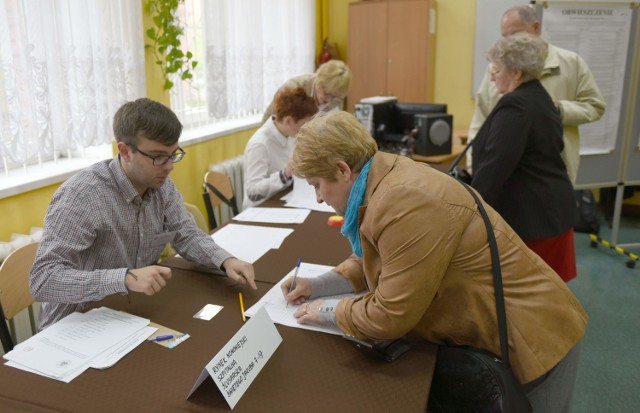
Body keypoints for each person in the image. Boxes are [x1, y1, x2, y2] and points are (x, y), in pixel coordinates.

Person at [281, 111, 587, 412]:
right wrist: (318, 285)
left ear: (343, 169)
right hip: (505, 327)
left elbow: (389, 315)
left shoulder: (402, 200)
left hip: (534, 339)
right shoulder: (382, 176)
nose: (319, 198)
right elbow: (378, 257)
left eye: (317, 185)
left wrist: (328, 310)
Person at [30, 98, 257, 330]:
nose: (169, 166)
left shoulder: (161, 184)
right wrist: (125, 278)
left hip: (129, 313)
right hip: (74, 325)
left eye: (173, 154)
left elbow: (186, 234)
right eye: (158, 156)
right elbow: (43, 280)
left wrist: (224, 260)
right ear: (125, 151)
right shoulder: (82, 196)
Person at [470, 33, 577, 283]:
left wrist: (469, 212)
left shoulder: (516, 106)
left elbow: (495, 166)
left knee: (530, 296)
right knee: (545, 294)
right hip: (549, 210)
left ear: (516, 73)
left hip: (533, 217)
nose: (492, 75)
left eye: (496, 69)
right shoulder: (538, 96)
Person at [468, 4, 605, 184]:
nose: (509, 42)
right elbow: (481, 117)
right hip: (505, 168)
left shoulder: (571, 63)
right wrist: (473, 162)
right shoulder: (496, 68)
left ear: (535, 28)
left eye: (515, 34)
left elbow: (595, 106)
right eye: (505, 36)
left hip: (551, 170)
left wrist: (561, 109)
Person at [243, 87, 317, 209]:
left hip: (283, 199)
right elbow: (253, 192)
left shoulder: (288, 134)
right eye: (303, 124)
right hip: (261, 209)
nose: (306, 129)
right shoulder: (260, 144)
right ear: (288, 120)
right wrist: (285, 174)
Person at [261, 60, 351, 123]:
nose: (329, 101)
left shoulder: (336, 97)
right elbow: (269, 120)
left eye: (335, 97)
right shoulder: (293, 89)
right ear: (319, 80)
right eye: (327, 94)